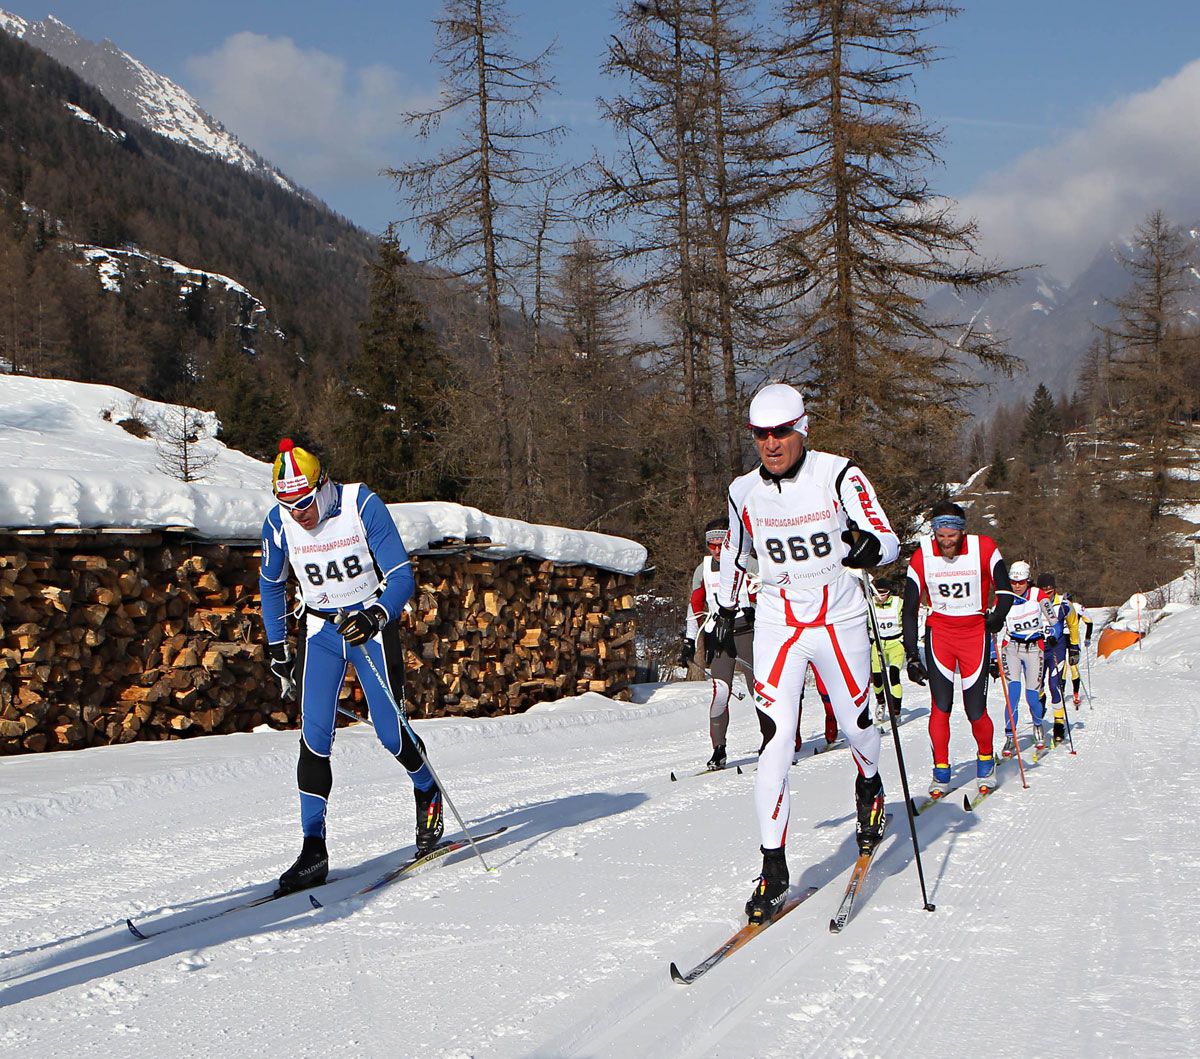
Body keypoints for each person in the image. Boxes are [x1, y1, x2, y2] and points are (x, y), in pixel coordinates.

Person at [710, 383, 899, 924]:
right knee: (774, 741)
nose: (770, 443)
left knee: (858, 723)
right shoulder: (741, 490)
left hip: (837, 620)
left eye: (780, 432)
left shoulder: (839, 475)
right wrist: (726, 606)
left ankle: (869, 783)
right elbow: (738, 553)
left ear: (802, 428)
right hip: (778, 624)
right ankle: (774, 868)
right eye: (759, 434)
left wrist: (870, 548)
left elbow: (886, 538)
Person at [259, 439, 444, 894]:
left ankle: (427, 790)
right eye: (287, 504)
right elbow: (270, 584)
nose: (298, 513)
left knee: (389, 732)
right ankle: (312, 848)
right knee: (314, 735)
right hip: (322, 634)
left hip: (369, 629)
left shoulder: (361, 504)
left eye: (304, 502)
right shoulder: (278, 524)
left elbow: (401, 575)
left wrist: (376, 613)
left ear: (323, 485)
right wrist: (278, 646)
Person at [902, 501, 1014, 797]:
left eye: (952, 536)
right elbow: (910, 607)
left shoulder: (985, 547)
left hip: (975, 634)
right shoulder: (922, 555)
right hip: (940, 634)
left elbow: (1005, 590)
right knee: (940, 707)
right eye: (941, 536)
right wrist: (911, 653)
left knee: (974, 708)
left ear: (962, 532)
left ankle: (986, 762)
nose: (946, 542)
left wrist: (997, 616)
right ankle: (941, 771)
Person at [681, 517, 755, 770]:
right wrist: (689, 640)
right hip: (720, 636)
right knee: (721, 691)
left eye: (720, 544)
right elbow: (695, 607)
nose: (715, 550)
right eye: (710, 545)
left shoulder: (749, 563)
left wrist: (756, 609)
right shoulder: (703, 570)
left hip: (748, 632)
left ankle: (776, 741)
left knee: (761, 690)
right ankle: (718, 749)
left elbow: (771, 593)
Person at [992, 560, 1054, 755]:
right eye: (1013, 582)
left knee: (1032, 696)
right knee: (1012, 695)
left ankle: (1037, 725)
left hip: (1035, 648)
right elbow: (993, 628)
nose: (1017, 586)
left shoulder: (1038, 595)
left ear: (1028, 581)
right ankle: (1010, 737)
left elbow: (1055, 621)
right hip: (1011, 648)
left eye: (1021, 582)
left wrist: (1052, 634)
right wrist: (993, 657)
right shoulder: (1004, 598)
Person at [1035, 573, 1078, 744]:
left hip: (1056, 650)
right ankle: (1041, 701)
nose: (1047, 592)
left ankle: (1059, 723)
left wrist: (1074, 647)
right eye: (1043, 589)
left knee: (1055, 685)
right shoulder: (1032, 603)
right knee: (1036, 686)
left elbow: (1073, 624)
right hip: (1036, 650)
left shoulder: (1064, 605)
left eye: (1049, 589)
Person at [869, 578, 905, 727]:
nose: (880, 597)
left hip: (896, 643)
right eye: (877, 593)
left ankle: (896, 712)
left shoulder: (898, 603)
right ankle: (881, 703)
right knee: (877, 679)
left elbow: (909, 619)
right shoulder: (869, 603)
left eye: (883, 594)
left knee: (894, 676)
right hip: (877, 644)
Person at [1064, 593, 1093, 707]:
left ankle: (1075, 693)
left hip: (1073, 639)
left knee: (1073, 666)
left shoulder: (1077, 607)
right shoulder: (1057, 605)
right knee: (1063, 666)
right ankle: (1062, 691)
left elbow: (1089, 622)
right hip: (1061, 638)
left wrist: (1088, 637)